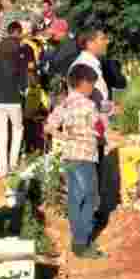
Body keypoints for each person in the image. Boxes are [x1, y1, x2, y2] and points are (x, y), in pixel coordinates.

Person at [44, 64, 106, 259]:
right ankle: (82, 242)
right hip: (86, 155)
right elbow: (99, 127)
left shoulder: (64, 104)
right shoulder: (89, 105)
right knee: (89, 198)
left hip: (69, 155)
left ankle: (76, 237)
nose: (93, 89)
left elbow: (49, 126)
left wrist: (63, 137)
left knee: (74, 197)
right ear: (84, 83)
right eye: (92, 85)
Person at [0, 37, 28, 178]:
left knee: (1, 135)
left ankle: (3, 171)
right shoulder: (19, 57)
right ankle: (13, 165)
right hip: (14, 101)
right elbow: (23, 82)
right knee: (18, 130)